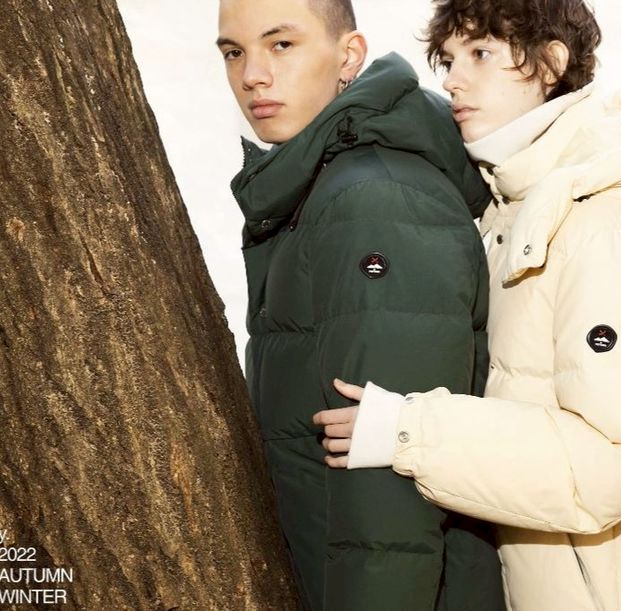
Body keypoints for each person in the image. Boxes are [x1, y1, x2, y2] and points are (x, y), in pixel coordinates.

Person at [314, 0, 621, 609]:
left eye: (481, 54)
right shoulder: (515, 212)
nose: (454, 80)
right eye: (449, 60)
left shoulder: (606, 226)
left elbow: (617, 460)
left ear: (551, 64)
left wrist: (409, 430)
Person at [217, 0, 506, 609]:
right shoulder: (325, 184)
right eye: (234, 52)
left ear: (348, 56)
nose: (253, 76)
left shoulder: (373, 196)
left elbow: (391, 508)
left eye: (281, 45)